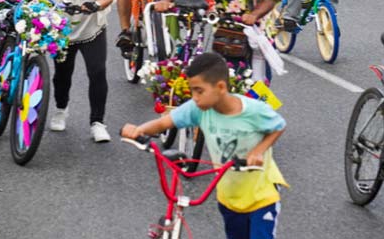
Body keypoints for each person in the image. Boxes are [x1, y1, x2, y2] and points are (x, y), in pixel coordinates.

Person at [120, 52, 287, 239]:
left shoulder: (253, 111)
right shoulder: (198, 109)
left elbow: (278, 126)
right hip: (228, 196)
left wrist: (258, 151)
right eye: (192, 91)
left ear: (221, 87)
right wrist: (139, 130)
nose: (195, 97)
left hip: (262, 196)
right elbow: (164, 123)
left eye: (199, 91)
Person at [8, 0, 116, 142]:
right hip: (61, 30)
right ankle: (61, 108)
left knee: (97, 73)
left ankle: (97, 122)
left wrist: (95, 5)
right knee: (63, 74)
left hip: (91, 29)